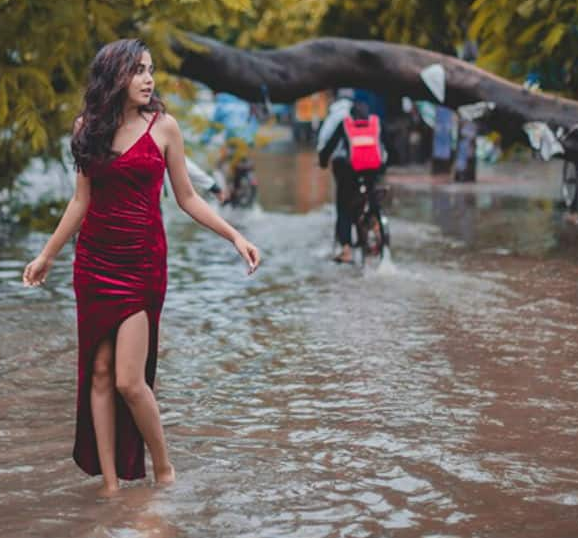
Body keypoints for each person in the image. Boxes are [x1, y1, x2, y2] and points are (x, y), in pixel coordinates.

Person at [22, 39, 261, 495]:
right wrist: (47, 255)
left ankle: (165, 470)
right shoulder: (86, 129)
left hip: (142, 264)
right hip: (94, 262)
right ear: (115, 77)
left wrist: (236, 236)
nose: (149, 79)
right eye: (139, 70)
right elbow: (80, 201)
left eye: (150, 70)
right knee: (99, 373)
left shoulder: (165, 127)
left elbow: (187, 197)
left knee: (131, 381)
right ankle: (111, 487)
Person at [317, 100, 386, 263]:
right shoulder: (376, 124)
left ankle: (346, 250)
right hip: (373, 170)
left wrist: (322, 162)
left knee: (343, 208)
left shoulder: (345, 124)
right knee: (372, 196)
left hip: (348, 171)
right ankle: (376, 226)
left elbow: (328, 147)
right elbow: (387, 147)